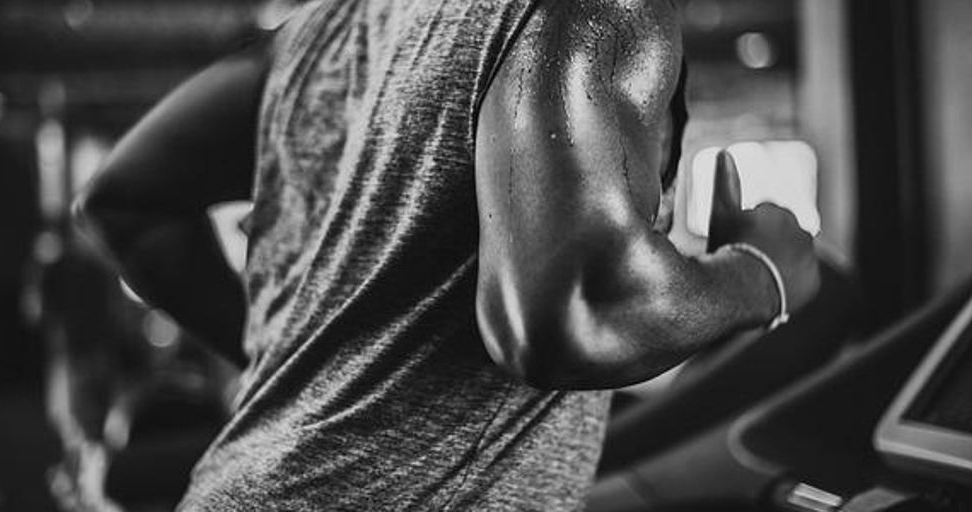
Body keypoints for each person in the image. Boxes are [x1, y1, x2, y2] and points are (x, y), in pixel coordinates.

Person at [73, 0, 819, 509]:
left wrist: (313, 375)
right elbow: (580, 312)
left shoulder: (317, 36)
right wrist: (765, 273)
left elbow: (123, 204)